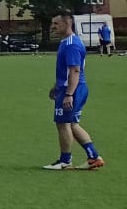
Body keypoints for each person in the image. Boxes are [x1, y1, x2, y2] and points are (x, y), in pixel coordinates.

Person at [44, 11, 104, 170]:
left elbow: (75, 70)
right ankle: (94, 157)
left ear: (67, 23)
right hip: (71, 87)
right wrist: (56, 86)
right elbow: (67, 70)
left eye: (56, 23)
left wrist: (69, 94)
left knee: (63, 124)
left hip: (72, 89)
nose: (53, 26)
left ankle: (65, 161)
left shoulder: (71, 44)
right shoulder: (67, 42)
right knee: (72, 124)